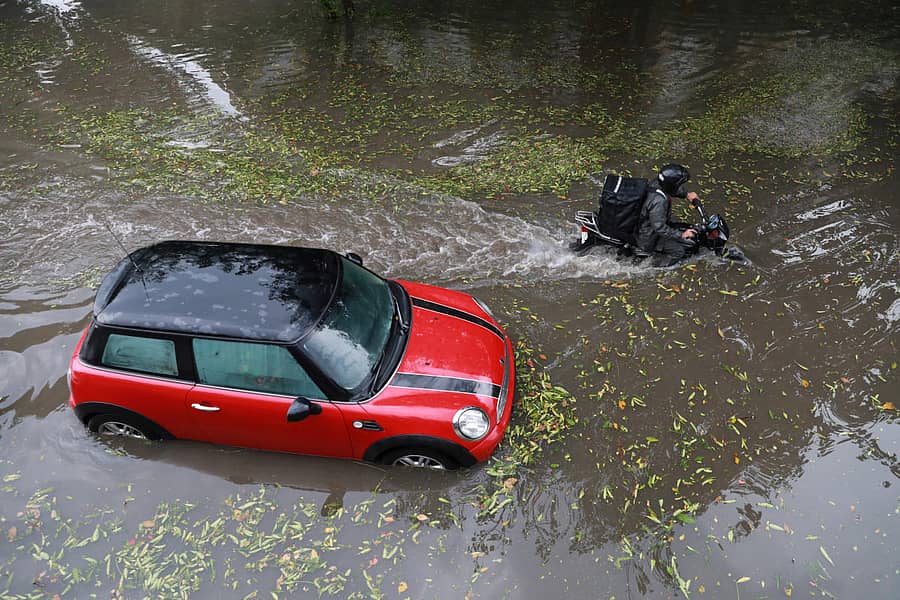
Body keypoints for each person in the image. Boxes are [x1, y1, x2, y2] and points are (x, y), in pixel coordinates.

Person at [635, 163, 699, 266]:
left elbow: (671, 189)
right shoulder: (659, 201)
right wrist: (681, 235)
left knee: (680, 226)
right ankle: (652, 267)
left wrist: (686, 194)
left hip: (646, 222)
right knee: (678, 252)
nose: (679, 186)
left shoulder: (657, 183)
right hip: (648, 235)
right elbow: (659, 227)